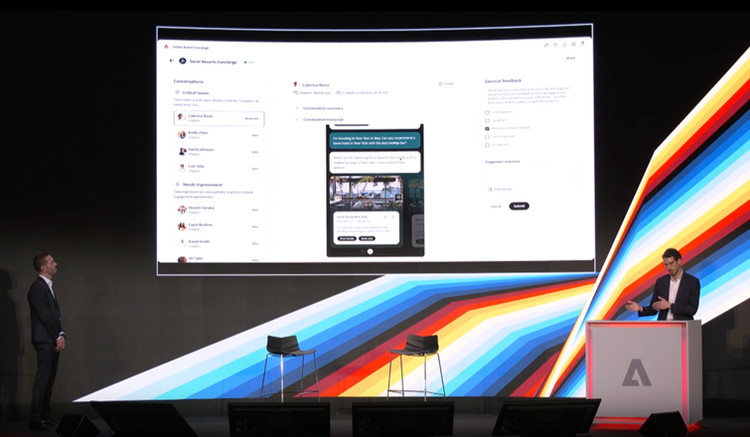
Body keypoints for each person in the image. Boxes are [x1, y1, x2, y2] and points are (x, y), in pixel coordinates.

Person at [27, 253, 66, 430]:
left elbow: (55, 315)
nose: (55, 264)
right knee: (43, 379)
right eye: (52, 262)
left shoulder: (47, 286)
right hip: (44, 339)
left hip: (51, 338)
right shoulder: (37, 288)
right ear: (43, 268)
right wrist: (57, 337)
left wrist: (61, 334)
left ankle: (44, 415)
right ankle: (35, 418)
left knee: (49, 379)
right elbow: (44, 315)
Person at [625, 248, 700, 320]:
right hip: (664, 326)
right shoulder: (661, 282)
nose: (669, 267)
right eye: (666, 265)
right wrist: (640, 308)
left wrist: (670, 306)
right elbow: (654, 308)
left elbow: (692, 309)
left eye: (671, 263)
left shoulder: (692, 282)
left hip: (683, 326)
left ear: (679, 261)